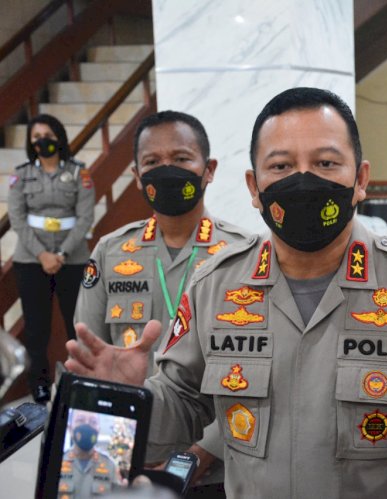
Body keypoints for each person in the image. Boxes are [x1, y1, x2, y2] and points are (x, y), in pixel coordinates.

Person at [66, 87, 387, 498]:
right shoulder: (214, 287)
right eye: (280, 167)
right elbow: (181, 405)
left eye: (325, 164)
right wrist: (131, 398)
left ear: (360, 179)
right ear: (254, 189)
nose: (303, 181)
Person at [73, 111, 250, 496]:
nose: (167, 170)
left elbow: (258, 371)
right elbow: (90, 360)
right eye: (153, 163)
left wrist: (205, 450)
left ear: (209, 169)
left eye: (182, 159)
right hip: (126, 454)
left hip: (220, 462)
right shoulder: (110, 251)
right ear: (137, 176)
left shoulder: (244, 256)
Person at [8, 114, 95, 403]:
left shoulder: (79, 173)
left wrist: (60, 254)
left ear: (58, 137)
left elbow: (84, 217)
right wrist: (43, 254)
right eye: (36, 137)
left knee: (78, 324)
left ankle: (80, 377)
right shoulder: (20, 176)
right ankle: (40, 384)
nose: (42, 141)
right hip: (32, 260)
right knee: (36, 328)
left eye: (47, 134)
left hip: (72, 259)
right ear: (31, 144)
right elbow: (18, 219)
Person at [59, 410, 120, 498]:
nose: (87, 425)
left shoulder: (110, 466)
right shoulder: (57, 462)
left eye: (93, 422)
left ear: (98, 430)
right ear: (70, 429)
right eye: (80, 420)